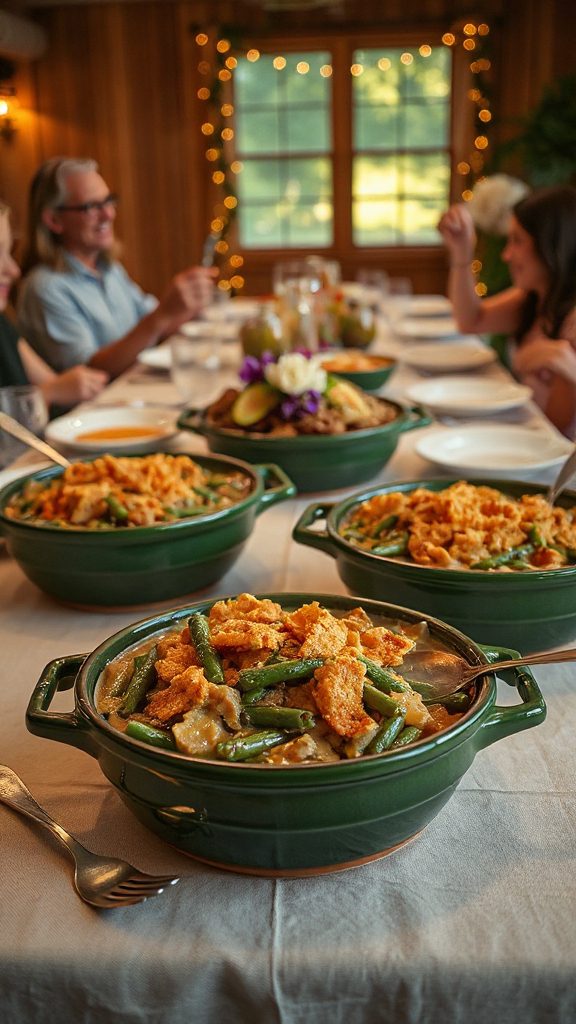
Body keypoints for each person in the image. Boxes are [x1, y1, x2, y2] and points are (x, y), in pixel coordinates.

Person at [17, 157, 215, 379]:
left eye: (109, 200)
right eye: (91, 206)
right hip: (91, 411)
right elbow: (90, 372)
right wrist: (163, 314)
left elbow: (157, 328)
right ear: (54, 220)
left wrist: (187, 304)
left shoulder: (110, 269)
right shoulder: (45, 287)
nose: (109, 214)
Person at [438, 184, 576, 436]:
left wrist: (562, 365)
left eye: (517, 241)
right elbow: (470, 321)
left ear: (552, 247)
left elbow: (556, 426)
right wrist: (462, 254)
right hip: (528, 433)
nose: (506, 255)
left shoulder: (572, 320)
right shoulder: (534, 297)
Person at [0, 201, 108, 409]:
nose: (13, 271)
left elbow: (52, 382)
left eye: (8, 252)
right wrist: (48, 393)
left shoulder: (2, 326)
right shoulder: (45, 284)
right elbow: (54, 388)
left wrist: (63, 387)